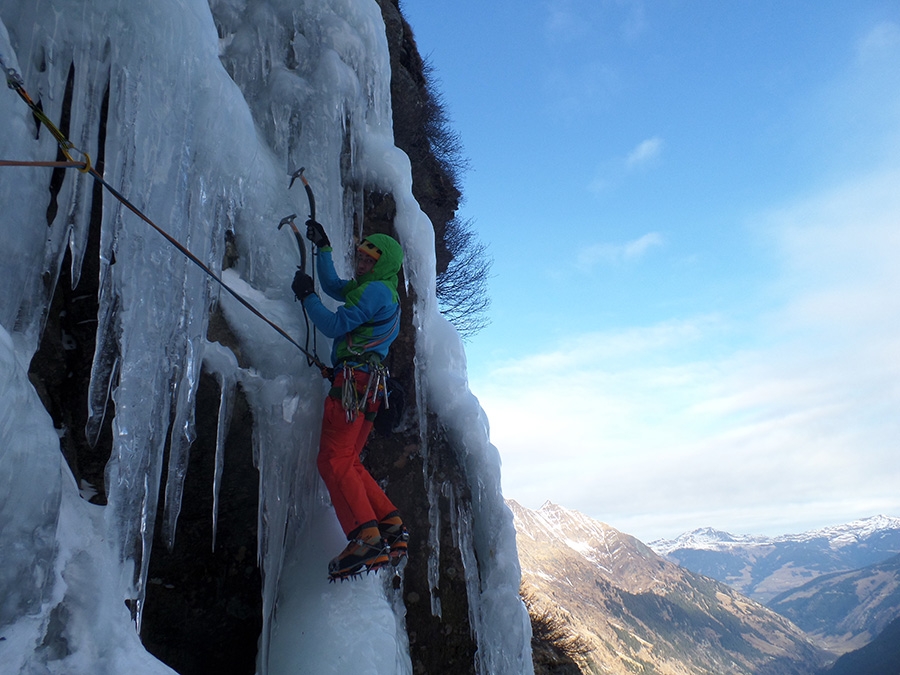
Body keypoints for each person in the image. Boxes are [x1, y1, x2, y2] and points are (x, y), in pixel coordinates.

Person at [291, 219, 408, 580]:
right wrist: (323, 249)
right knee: (348, 460)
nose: (361, 265)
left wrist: (306, 297)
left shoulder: (374, 293)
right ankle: (390, 525)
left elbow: (332, 325)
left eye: (368, 261)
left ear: (382, 264)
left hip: (353, 386)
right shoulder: (379, 288)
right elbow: (335, 286)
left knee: (334, 459)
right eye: (359, 257)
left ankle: (366, 538)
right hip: (367, 386)